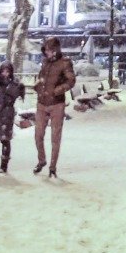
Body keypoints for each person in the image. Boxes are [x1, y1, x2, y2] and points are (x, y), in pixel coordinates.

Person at [30, 36, 75, 178]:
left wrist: (57, 90)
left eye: (49, 50)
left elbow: (71, 80)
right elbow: (42, 78)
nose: (47, 53)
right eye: (46, 50)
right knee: (38, 135)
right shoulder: (45, 63)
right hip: (42, 102)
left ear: (55, 50)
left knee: (55, 136)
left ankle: (53, 166)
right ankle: (42, 160)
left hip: (57, 103)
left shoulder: (64, 63)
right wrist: (38, 86)